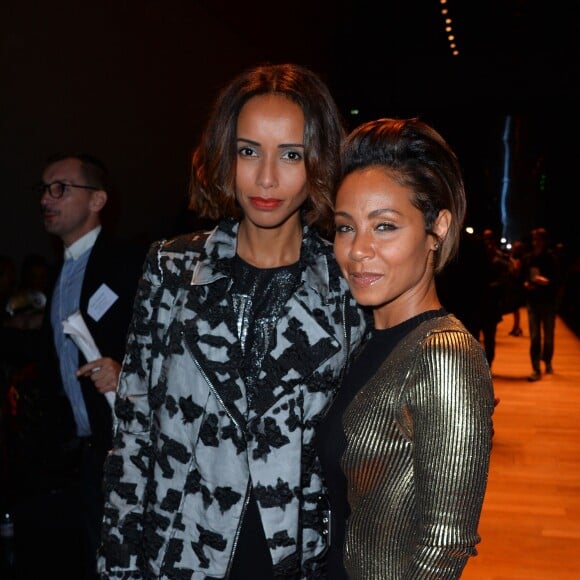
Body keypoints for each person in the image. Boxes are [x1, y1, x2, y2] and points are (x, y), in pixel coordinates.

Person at [98, 63, 368, 579]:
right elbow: (133, 436)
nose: (267, 178)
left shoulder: (346, 286)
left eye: (291, 154)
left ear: (319, 163)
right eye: (249, 151)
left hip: (295, 560)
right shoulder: (171, 269)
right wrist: (120, 567)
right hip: (179, 553)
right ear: (226, 157)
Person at [317, 117, 495, 578]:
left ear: (436, 229)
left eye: (385, 227)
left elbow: (444, 548)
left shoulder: (443, 355)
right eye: (344, 227)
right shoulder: (358, 337)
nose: (357, 250)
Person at [0, 153, 146, 579]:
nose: (47, 198)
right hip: (84, 454)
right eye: (43, 189)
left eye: (60, 188)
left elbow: (164, 342)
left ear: (97, 199)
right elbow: (49, 358)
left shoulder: (127, 263)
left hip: (132, 447)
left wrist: (128, 372)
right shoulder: (62, 273)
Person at [523, 227, 560, 381]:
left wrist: (547, 282)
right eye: (534, 239)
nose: (535, 242)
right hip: (533, 302)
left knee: (549, 337)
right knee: (535, 336)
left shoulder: (551, 258)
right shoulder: (529, 257)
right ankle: (536, 368)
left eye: (538, 239)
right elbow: (524, 277)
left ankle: (548, 361)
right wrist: (526, 283)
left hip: (548, 302)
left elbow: (558, 280)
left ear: (544, 241)